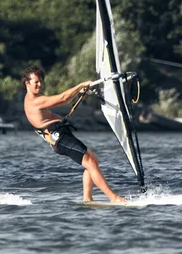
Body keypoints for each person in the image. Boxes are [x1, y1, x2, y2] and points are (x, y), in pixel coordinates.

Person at [22, 64, 125, 203]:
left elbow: (55, 108)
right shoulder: (34, 101)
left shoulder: (36, 98)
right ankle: (114, 198)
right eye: (36, 82)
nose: (39, 84)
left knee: (93, 162)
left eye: (41, 81)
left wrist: (78, 94)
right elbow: (63, 98)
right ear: (27, 83)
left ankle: (88, 199)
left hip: (62, 134)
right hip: (60, 139)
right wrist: (80, 85)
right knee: (91, 163)